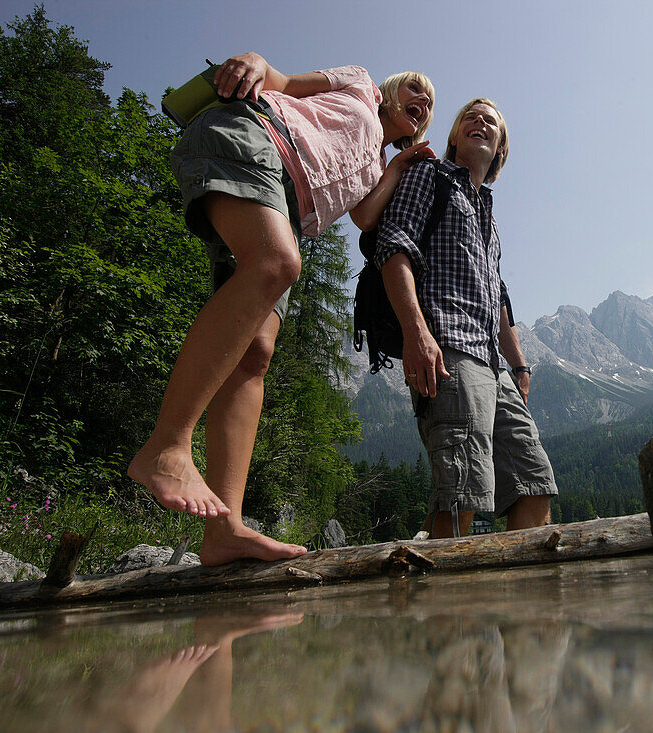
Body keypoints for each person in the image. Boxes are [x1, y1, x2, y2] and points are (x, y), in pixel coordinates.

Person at [128, 52, 435, 565]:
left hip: (280, 205)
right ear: (393, 90)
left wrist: (398, 162)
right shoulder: (359, 86)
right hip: (252, 136)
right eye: (415, 92)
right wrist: (252, 61)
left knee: (255, 353)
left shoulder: (378, 165)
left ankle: (224, 529)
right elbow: (283, 81)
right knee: (276, 263)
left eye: (428, 105)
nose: (422, 103)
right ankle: (166, 446)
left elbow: (364, 217)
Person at [374, 98, 558, 539]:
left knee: (533, 486)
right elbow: (392, 247)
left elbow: (498, 300)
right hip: (449, 351)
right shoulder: (429, 176)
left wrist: (519, 366)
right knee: (462, 498)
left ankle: (513, 602)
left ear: (500, 151)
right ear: (455, 136)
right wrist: (415, 333)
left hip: (495, 368)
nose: (480, 121)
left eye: (490, 120)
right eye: (470, 117)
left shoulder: (488, 217)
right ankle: (438, 603)